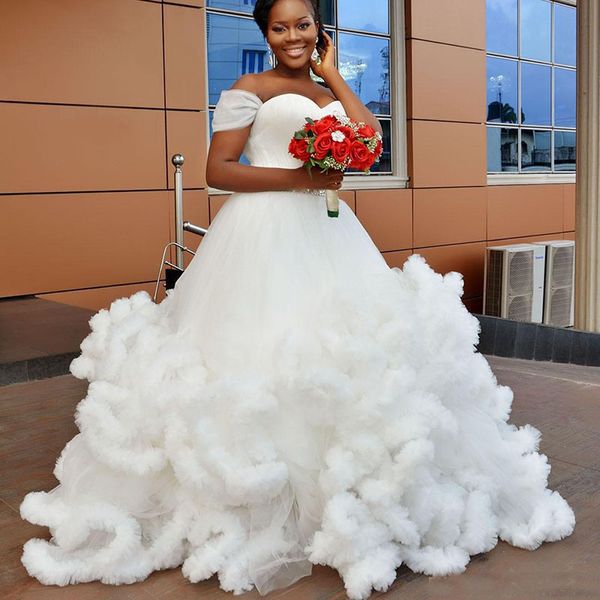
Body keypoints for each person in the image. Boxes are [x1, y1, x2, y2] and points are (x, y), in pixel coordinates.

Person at [20, 0, 575, 598]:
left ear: (319, 28)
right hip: (259, 234)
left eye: (303, 24)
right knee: (259, 350)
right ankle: (256, 492)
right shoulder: (248, 86)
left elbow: (369, 139)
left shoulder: (325, 86)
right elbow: (219, 170)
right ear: (264, 31)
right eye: (279, 27)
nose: (292, 36)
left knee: (340, 356)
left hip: (330, 231)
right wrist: (302, 179)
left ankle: (342, 491)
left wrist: (334, 77)